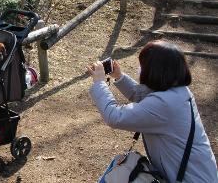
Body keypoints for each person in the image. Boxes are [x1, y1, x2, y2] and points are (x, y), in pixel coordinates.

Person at [87, 40, 218, 183]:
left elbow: (115, 116)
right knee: (119, 165)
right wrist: (120, 77)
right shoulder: (177, 92)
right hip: (194, 176)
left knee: (119, 171)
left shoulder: (165, 104)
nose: (140, 69)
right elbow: (144, 97)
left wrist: (99, 83)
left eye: (143, 65)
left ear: (156, 70)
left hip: (191, 180)